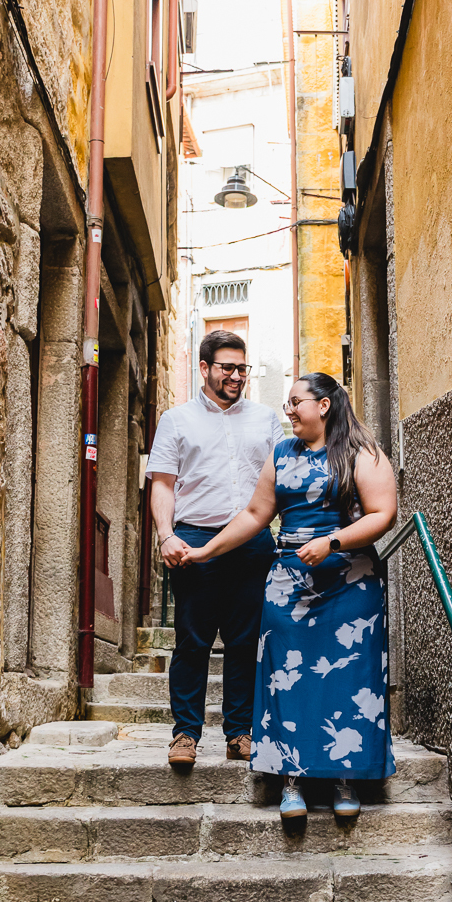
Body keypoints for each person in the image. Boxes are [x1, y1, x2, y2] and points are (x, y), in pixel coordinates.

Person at [177, 373, 398, 820]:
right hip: (288, 582)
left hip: (349, 581)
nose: (289, 411)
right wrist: (205, 550)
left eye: (296, 402)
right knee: (285, 676)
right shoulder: (281, 454)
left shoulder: (363, 453)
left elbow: (384, 513)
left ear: (325, 405)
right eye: (287, 404)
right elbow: (257, 513)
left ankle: (344, 778)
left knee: (347, 679)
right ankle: (290, 780)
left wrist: (332, 543)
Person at [146, 329, 284, 767]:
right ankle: (185, 734)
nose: (236, 376)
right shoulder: (176, 420)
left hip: (253, 541)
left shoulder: (266, 420)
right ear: (204, 368)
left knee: (245, 642)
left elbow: (284, 480)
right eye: (227, 367)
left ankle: (239, 733)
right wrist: (166, 535)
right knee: (192, 641)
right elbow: (163, 484)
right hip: (195, 539)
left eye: (242, 368)